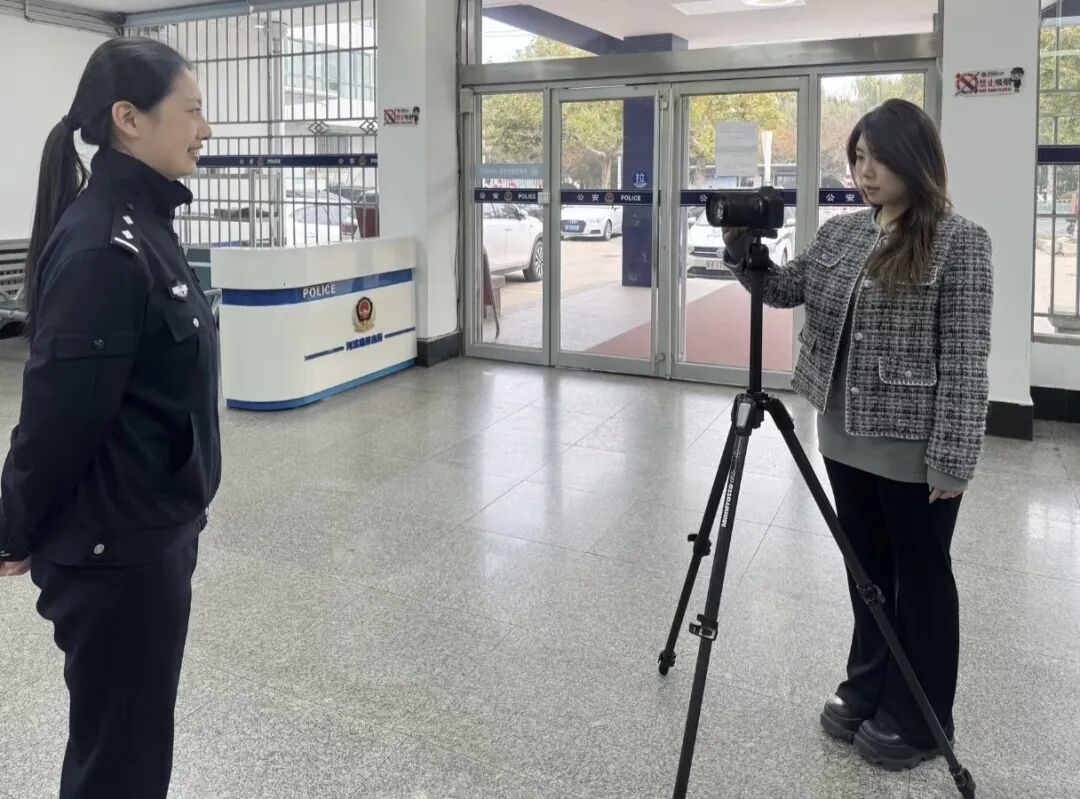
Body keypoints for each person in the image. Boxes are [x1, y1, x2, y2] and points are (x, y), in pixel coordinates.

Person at [722, 99, 992, 771]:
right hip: (842, 434)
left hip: (913, 447)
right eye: (859, 158)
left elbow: (966, 357)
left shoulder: (960, 241)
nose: (866, 172)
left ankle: (923, 715)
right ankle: (869, 683)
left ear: (916, 160)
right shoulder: (843, 232)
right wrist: (741, 254)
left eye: (880, 159)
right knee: (866, 572)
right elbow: (785, 289)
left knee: (919, 578)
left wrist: (953, 458)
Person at [0, 37, 219, 799]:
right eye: (191, 110)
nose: (205, 129)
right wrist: (14, 527)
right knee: (120, 762)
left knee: (130, 744)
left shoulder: (144, 224)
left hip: (145, 533)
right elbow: (58, 413)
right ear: (129, 118)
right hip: (115, 553)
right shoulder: (105, 244)